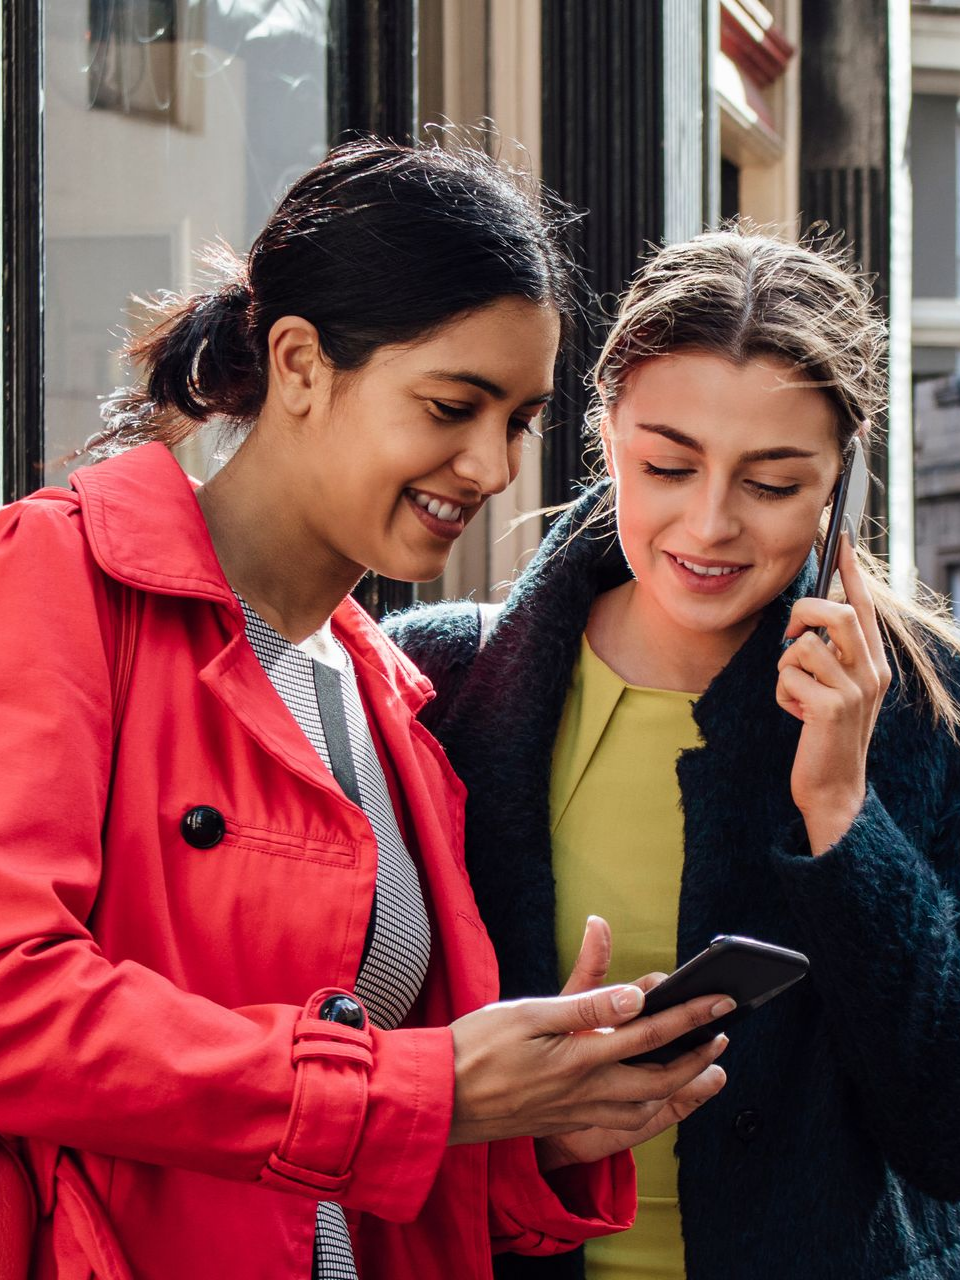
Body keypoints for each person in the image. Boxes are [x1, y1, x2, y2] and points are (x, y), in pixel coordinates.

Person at [0, 139, 735, 1280]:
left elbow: (373, 1145)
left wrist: (537, 1123)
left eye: (522, 418)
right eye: (453, 403)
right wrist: (427, 1086)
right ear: (297, 362)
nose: (491, 464)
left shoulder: (392, 694)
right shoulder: (65, 578)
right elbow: (17, 1000)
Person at [386, 227, 960, 1280]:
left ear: (841, 481)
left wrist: (842, 815)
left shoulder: (927, 704)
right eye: (668, 464)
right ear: (605, 433)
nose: (710, 524)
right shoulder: (436, 684)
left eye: (774, 484)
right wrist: (532, 1133)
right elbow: (359, 1072)